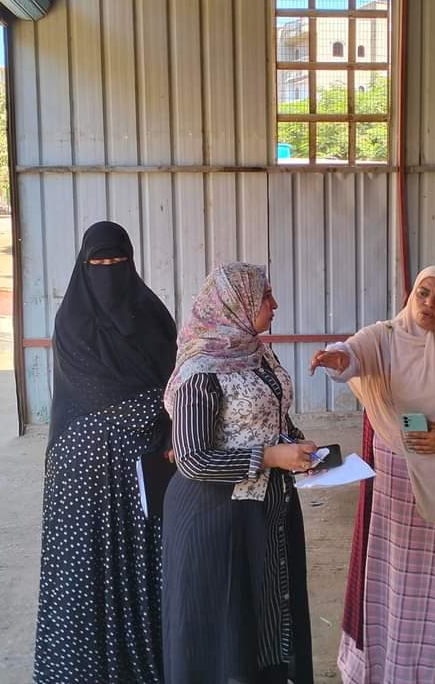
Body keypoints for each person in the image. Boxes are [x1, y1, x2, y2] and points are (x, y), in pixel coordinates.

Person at [310, 266, 435, 684]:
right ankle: (381, 668)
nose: (429, 304)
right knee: (389, 576)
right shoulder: (386, 336)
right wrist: (338, 359)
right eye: (423, 293)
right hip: (393, 487)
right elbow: (354, 353)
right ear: (411, 295)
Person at [34, 221, 178, 683]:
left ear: (131, 263)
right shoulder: (72, 323)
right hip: (84, 475)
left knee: (143, 569)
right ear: (84, 266)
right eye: (99, 262)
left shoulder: (153, 315)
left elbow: (175, 379)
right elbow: (102, 392)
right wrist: (166, 406)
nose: (109, 271)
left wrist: (172, 412)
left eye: (118, 261)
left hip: (143, 468)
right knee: (88, 574)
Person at [161, 263, 316, 684]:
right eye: (266, 296)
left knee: (268, 615)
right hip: (217, 519)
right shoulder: (200, 371)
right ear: (236, 303)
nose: (275, 304)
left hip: (269, 508)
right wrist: (270, 457)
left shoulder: (256, 351)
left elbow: (271, 411)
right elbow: (192, 459)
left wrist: (298, 443)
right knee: (228, 628)